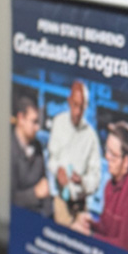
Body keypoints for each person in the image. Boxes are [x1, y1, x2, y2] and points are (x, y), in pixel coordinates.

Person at [74, 121, 128, 253]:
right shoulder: (109, 185)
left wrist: (91, 236)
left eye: (113, 154)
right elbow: (107, 231)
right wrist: (91, 224)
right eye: (106, 150)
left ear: (126, 162)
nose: (107, 157)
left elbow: (127, 246)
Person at [48, 80, 102, 223]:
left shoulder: (91, 137)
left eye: (82, 107)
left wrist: (83, 181)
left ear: (87, 106)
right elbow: (52, 159)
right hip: (60, 201)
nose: (77, 112)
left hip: (81, 205)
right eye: (75, 105)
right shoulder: (58, 123)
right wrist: (57, 170)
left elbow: (96, 179)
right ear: (69, 101)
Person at [10, 89, 50, 216]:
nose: (37, 128)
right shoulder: (9, 149)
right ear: (21, 118)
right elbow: (9, 197)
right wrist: (35, 193)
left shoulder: (37, 146)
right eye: (34, 122)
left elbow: (43, 182)